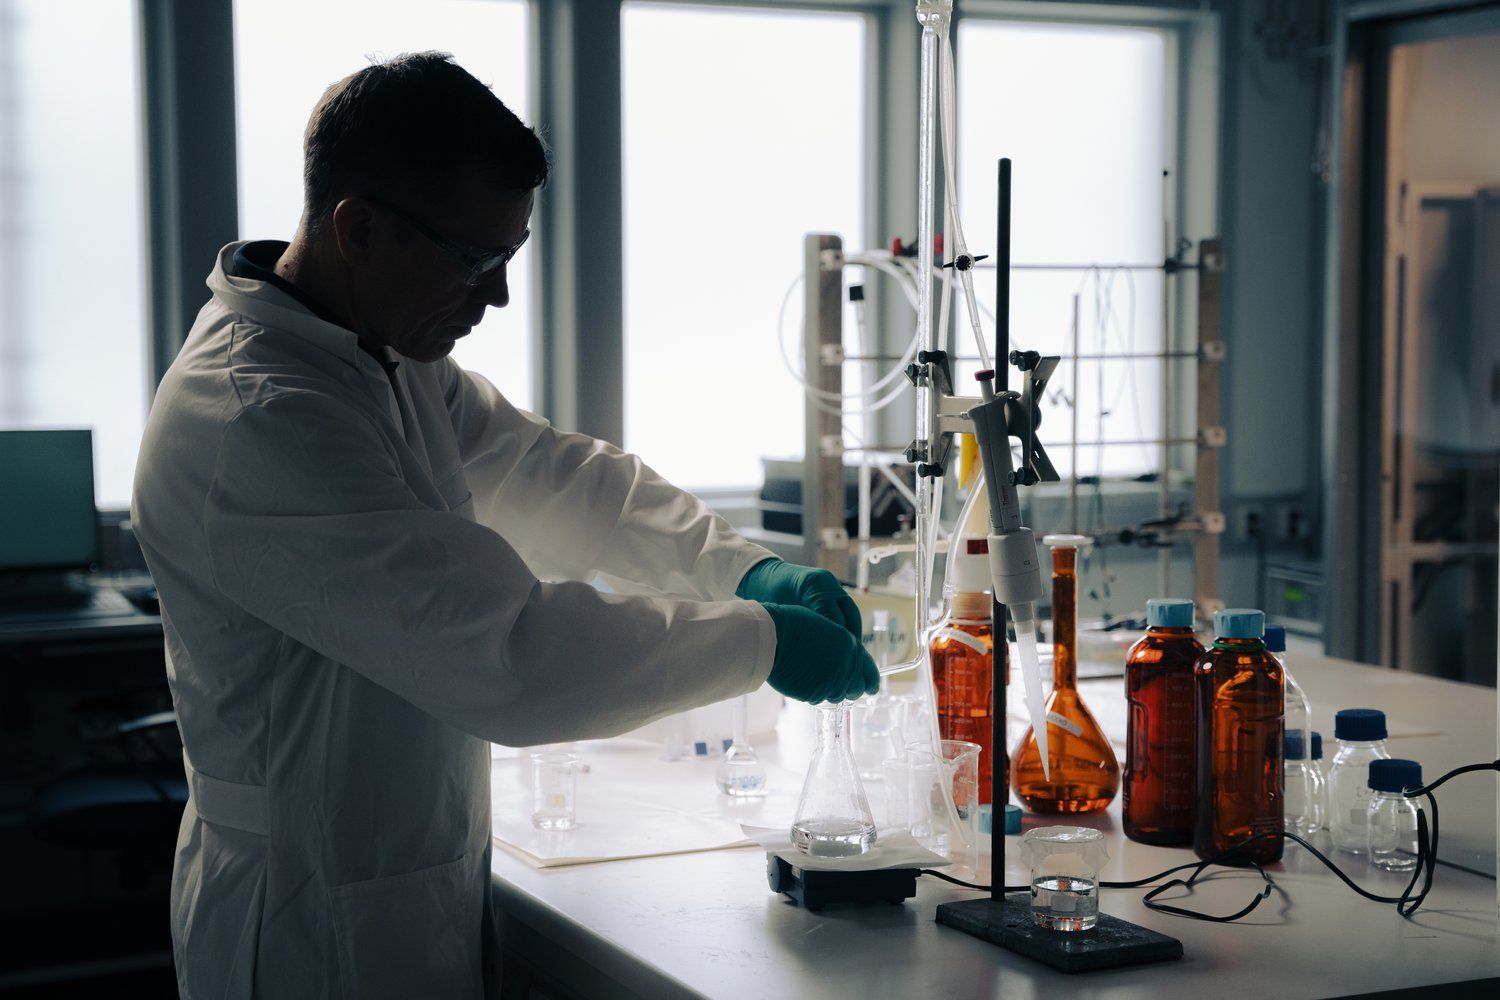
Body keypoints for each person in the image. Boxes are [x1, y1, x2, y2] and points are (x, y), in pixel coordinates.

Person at [132, 52, 878, 999]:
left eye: (511, 258)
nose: (498, 298)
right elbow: (512, 659)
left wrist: (742, 571)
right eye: (476, 260)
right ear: (359, 229)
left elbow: (554, 478)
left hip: (402, 874)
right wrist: (759, 643)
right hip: (301, 920)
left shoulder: (383, 359)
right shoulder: (259, 414)